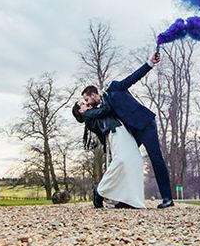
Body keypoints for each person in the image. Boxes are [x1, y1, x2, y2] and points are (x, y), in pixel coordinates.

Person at [80, 51, 174, 209]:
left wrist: (150, 63)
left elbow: (132, 78)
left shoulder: (114, 88)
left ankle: (167, 198)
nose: (87, 102)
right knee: (127, 160)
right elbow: (101, 119)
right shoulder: (103, 108)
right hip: (133, 133)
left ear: (94, 94)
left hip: (145, 125)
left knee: (156, 158)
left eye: (87, 99)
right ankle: (126, 198)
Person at [72, 97, 145, 208]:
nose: (86, 103)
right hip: (115, 132)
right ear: (80, 111)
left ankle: (129, 199)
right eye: (82, 103)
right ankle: (100, 190)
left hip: (121, 131)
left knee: (136, 161)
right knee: (121, 161)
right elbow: (107, 109)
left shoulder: (91, 113)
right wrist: (104, 97)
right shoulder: (88, 114)